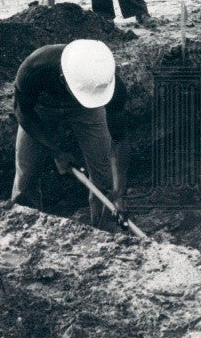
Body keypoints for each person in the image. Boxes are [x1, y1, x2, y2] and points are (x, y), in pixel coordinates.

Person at [10, 39, 129, 229]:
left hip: (90, 109)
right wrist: (56, 151)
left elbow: (119, 139)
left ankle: (105, 235)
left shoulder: (107, 84)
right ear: (63, 78)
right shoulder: (35, 67)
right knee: (26, 175)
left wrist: (119, 192)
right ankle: (23, 228)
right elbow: (23, 113)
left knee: (104, 178)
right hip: (41, 108)